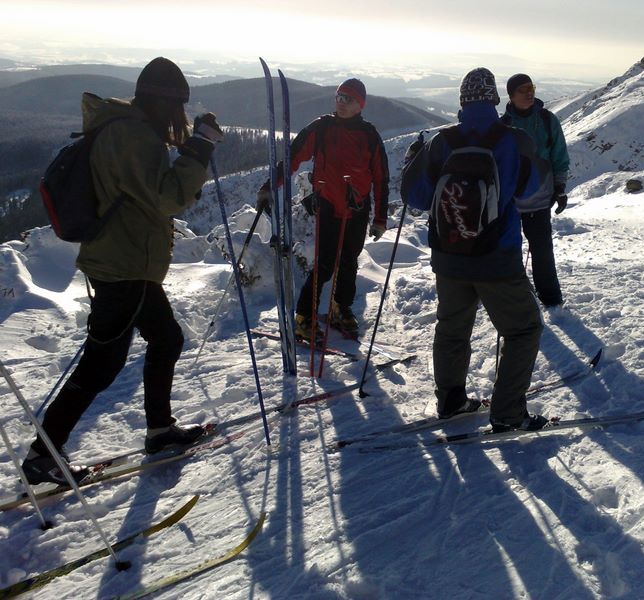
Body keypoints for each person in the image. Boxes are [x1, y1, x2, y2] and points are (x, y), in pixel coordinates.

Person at [22, 57, 224, 485]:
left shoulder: (126, 127)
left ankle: (159, 430)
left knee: (165, 339)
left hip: (127, 261)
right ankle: (43, 454)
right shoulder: (133, 136)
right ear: (164, 103)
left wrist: (193, 143)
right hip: (124, 264)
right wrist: (201, 147)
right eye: (179, 107)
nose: (180, 116)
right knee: (102, 363)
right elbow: (167, 196)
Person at [401, 67, 548, 432]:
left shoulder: (442, 141)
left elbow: (416, 196)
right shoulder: (512, 140)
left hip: (448, 255)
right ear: (494, 99)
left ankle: (451, 402)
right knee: (523, 329)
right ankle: (508, 411)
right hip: (495, 255)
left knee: (452, 328)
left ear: (462, 100)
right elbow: (530, 189)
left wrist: (413, 161)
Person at [260, 78, 389, 340]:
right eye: (339, 97)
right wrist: (270, 186)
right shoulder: (321, 128)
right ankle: (304, 317)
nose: (341, 103)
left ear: (360, 105)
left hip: (357, 209)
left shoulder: (369, 135)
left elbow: (381, 178)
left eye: (348, 99)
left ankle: (341, 307)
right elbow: (293, 157)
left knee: (349, 261)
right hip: (329, 206)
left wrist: (380, 219)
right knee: (325, 265)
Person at [500, 73, 570, 307]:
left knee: (542, 251)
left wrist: (560, 187)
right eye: (522, 90)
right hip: (509, 201)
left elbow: (559, 155)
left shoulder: (548, 120)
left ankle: (551, 299)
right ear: (511, 95)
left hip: (540, 197)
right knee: (510, 251)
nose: (529, 93)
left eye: (531, 87)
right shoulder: (502, 126)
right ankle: (516, 297)